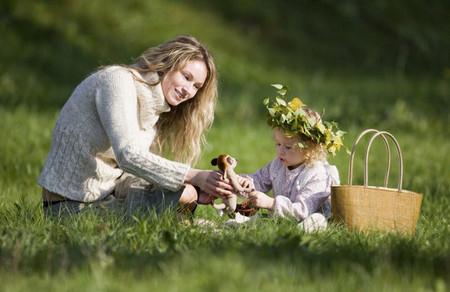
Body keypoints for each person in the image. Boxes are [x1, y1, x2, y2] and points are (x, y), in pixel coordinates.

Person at [38, 35, 233, 216]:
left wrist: (200, 189)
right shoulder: (117, 81)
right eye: (186, 77)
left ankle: (191, 211)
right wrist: (194, 175)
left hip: (105, 197)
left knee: (187, 193)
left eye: (196, 86)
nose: (188, 90)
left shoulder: (154, 108)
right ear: (167, 65)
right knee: (182, 195)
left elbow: (124, 175)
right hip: (67, 207)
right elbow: (128, 155)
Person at [241, 87, 344, 231]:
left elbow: (303, 210)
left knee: (316, 220)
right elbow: (259, 179)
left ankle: (297, 233)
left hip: (308, 215)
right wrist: (245, 182)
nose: (280, 151)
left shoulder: (317, 174)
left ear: (310, 148)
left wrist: (271, 203)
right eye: (277, 144)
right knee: (258, 219)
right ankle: (249, 225)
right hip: (283, 216)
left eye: (288, 147)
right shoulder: (277, 165)